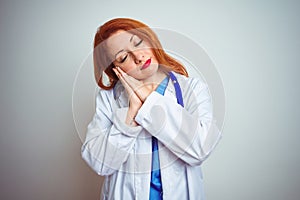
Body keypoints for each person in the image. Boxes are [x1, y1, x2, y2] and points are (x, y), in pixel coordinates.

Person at [81, 17, 221, 200]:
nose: (139, 57)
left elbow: (200, 149)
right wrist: (130, 115)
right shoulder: (109, 100)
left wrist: (149, 101)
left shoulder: (192, 90)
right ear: (115, 69)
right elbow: (99, 163)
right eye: (123, 57)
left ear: (150, 38)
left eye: (138, 42)